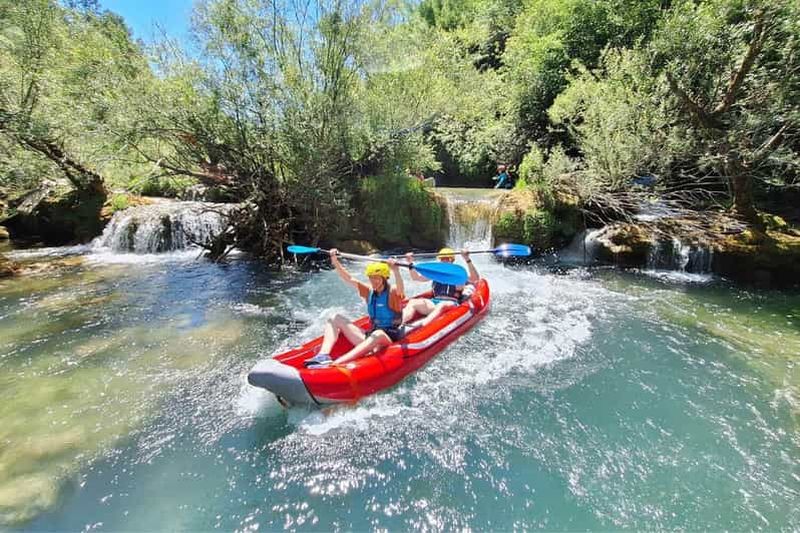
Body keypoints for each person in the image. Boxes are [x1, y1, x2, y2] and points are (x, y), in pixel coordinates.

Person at [304, 249, 406, 368]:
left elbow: (401, 290)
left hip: (388, 340)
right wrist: (335, 260)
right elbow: (348, 279)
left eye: (377, 278)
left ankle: (336, 364)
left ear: (384, 278)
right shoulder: (369, 291)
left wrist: (396, 270)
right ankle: (323, 356)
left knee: (378, 334)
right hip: (370, 338)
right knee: (334, 318)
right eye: (371, 278)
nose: (373, 281)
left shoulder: (392, 292)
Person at [401, 247, 480, 328]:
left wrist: (467, 259)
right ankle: (399, 323)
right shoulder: (436, 274)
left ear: (452, 260)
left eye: (447, 258)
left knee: (442, 305)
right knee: (413, 302)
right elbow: (416, 277)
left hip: (451, 304)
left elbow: (475, 278)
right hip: (435, 302)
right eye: (442, 258)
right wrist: (410, 263)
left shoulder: (458, 275)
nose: (444, 260)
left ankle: (422, 326)